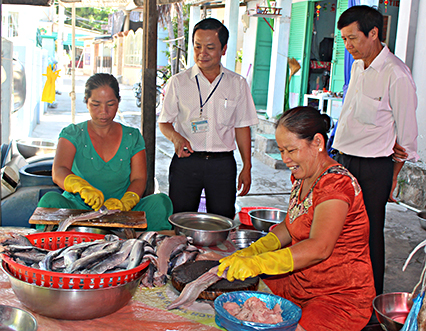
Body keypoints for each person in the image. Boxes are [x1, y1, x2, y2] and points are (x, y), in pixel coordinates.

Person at [218, 106, 375, 331]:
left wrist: (258, 263)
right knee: (243, 300)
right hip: (301, 283)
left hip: (338, 297)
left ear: (318, 143)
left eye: (291, 150)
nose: (285, 159)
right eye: (281, 150)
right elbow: (291, 225)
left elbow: (320, 247)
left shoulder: (336, 186)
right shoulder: (303, 177)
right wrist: (255, 250)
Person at [331, 5, 419, 296]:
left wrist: (393, 177)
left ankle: (370, 302)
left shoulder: (396, 74)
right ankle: (342, 292)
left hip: (373, 169)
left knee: (368, 237)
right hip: (344, 162)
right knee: (339, 231)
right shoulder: (357, 66)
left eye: (352, 38)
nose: (348, 46)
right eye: (343, 39)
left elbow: (406, 140)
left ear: (373, 33)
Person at [38, 73, 173, 231]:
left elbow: (139, 178)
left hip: (122, 210)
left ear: (118, 102)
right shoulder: (73, 133)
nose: (104, 111)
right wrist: (81, 187)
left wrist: (126, 202)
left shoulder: (132, 137)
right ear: (86, 102)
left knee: (161, 204)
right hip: (78, 208)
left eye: (110, 104)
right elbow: (59, 170)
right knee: (50, 201)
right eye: (96, 104)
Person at [158, 18, 258, 219]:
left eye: (210, 47)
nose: (202, 53)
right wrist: (177, 138)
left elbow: (242, 126)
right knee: (180, 218)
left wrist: (247, 166)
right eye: (197, 46)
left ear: (224, 49)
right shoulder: (179, 82)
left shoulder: (237, 84)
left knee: (222, 220)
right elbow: (164, 122)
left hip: (222, 164)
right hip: (187, 162)